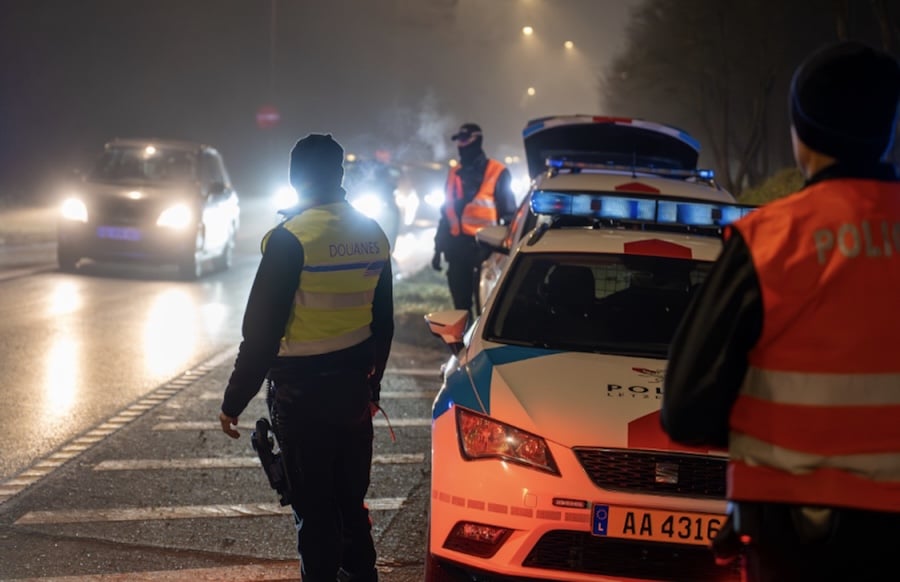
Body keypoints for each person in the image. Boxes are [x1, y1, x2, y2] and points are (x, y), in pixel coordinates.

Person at [660, 41, 900, 582]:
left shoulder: (771, 240)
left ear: (800, 133)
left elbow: (685, 407)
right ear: (888, 129)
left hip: (796, 537)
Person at [218, 133, 394, 582]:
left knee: (314, 510)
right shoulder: (372, 233)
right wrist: (372, 388)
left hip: (302, 398)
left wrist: (233, 402)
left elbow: (259, 335)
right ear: (339, 175)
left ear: (295, 179)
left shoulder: (290, 239)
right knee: (350, 503)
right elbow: (384, 324)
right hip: (354, 393)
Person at [432, 123, 517, 315]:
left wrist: (502, 252)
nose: (460, 146)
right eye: (458, 141)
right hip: (457, 252)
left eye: (464, 140)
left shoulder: (497, 172)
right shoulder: (454, 173)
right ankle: (461, 344)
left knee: (485, 308)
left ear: (476, 140)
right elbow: (446, 215)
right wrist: (438, 249)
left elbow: (509, 218)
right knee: (460, 309)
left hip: (485, 252)